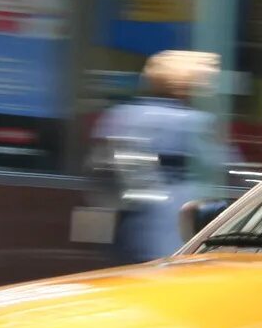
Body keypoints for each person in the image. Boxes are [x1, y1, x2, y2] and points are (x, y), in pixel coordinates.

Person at [91, 50, 234, 264]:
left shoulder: (122, 116)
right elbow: (224, 167)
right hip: (178, 229)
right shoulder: (196, 123)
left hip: (132, 229)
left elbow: (103, 171)